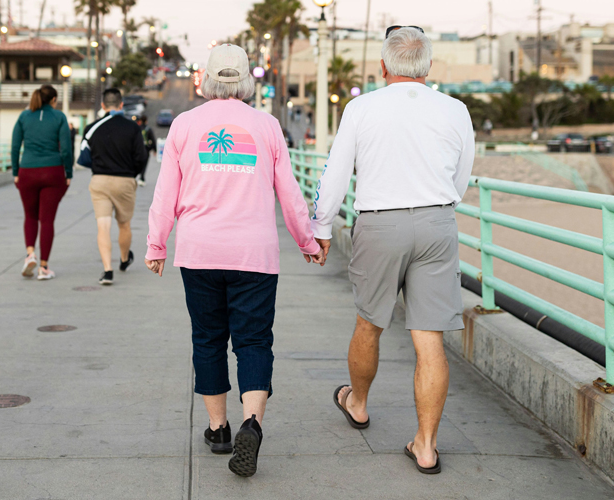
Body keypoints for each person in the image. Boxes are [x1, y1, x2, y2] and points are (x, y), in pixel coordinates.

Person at [145, 44, 325, 478]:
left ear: (206, 79)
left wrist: (156, 244)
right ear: (247, 81)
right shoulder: (267, 126)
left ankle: (219, 429)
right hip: (254, 254)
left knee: (208, 339)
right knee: (254, 341)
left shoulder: (185, 125)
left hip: (200, 252)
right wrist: (308, 240)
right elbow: (289, 192)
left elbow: (166, 192)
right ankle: (252, 424)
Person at [310, 26, 475, 475]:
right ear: (428, 67)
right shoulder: (455, 110)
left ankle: (358, 403)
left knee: (370, 322)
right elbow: (461, 176)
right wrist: (437, 204)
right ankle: (426, 446)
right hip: (437, 222)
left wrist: (321, 227)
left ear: (383, 66)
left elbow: (336, 172)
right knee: (429, 337)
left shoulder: (361, 108)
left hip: (380, 223)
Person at [83, 88, 147, 285]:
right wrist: (132, 174)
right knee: (124, 224)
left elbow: (84, 157)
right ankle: (125, 259)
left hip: (100, 180)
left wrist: (98, 167)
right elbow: (141, 156)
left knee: (103, 226)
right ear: (121, 105)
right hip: (124, 180)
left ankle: (107, 271)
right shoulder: (132, 128)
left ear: (103, 105)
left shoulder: (92, 128)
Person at [11, 84, 73, 280]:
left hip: (27, 171)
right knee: (47, 220)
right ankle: (44, 267)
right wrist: (68, 172)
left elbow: (15, 146)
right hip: (52, 171)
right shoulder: (59, 117)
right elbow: (66, 149)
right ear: (54, 99)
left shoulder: (24, 116)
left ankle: (30, 254)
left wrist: (15, 172)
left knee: (30, 216)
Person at [135, 115, 156, 186]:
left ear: (140, 121)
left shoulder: (137, 128)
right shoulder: (148, 129)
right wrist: (154, 149)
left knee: (137, 162)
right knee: (144, 164)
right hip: (146, 149)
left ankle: (135, 176)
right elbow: (153, 139)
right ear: (146, 121)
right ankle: (142, 178)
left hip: (138, 149)